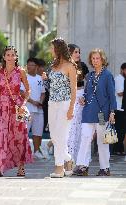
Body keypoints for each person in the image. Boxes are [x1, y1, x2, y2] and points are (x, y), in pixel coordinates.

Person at [0, 46, 32, 177]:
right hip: (1, 107)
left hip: (16, 107)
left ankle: (21, 167)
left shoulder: (21, 71)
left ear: (16, 57)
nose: (10, 57)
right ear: (4, 57)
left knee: (18, 137)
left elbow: (28, 90)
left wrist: (24, 103)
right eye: (7, 55)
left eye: (12, 55)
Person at [75, 48, 116, 176]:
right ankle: (82, 166)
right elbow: (88, 93)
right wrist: (83, 99)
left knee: (101, 141)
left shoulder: (108, 75)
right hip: (88, 112)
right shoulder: (90, 75)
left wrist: (112, 112)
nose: (95, 60)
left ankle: (105, 168)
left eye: (97, 58)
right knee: (85, 138)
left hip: (102, 114)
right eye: (93, 58)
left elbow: (111, 95)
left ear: (102, 59)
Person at [48, 38, 77, 178]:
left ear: (58, 49)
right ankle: (68, 159)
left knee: (61, 136)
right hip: (52, 103)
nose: (50, 50)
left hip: (65, 104)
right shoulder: (53, 65)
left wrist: (71, 108)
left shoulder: (70, 66)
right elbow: (52, 86)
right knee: (54, 137)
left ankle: (59, 168)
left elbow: (74, 89)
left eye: (51, 47)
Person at [67, 44, 89, 164]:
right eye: (75, 52)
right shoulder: (64, 65)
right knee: (70, 129)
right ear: (69, 52)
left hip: (80, 97)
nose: (78, 54)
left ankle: (79, 161)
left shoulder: (83, 66)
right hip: (68, 97)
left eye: (78, 52)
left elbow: (89, 83)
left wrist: (85, 96)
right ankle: (69, 159)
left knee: (79, 128)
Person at [21, 58, 45, 159]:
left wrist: (40, 102)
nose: (30, 67)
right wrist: (32, 101)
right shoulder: (24, 78)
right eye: (29, 65)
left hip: (39, 110)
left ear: (36, 67)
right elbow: (21, 93)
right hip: (26, 109)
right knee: (23, 132)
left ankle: (36, 151)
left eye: (32, 65)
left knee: (38, 132)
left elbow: (43, 93)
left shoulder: (40, 78)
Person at [113, 63, 126, 155]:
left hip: (123, 108)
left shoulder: (123, 79)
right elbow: (120, 93)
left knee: (122, 130)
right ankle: (116, 149)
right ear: (122, 69)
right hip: (119, 108)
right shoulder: (119, 79)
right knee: (119, 129)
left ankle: (120, 149)